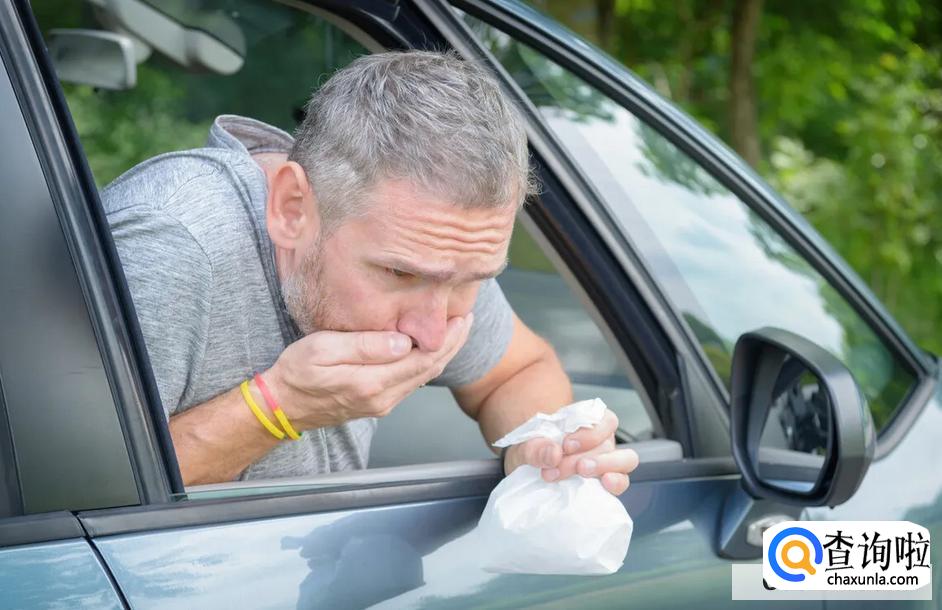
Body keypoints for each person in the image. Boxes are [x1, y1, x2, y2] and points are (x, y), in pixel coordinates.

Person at [102, 50, 639, 491]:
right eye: (400, 275)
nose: (431, 334)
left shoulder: (436, 250)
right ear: (292, 208)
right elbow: (51, 504)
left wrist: (540, 445)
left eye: (471, 279)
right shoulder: (173, 243)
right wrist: (277, 408)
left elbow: (517, 371)